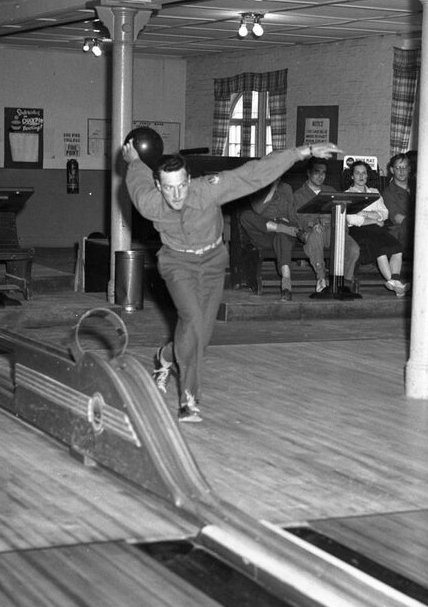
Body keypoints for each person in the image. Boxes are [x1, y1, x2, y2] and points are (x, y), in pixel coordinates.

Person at [124, 131, 342, 421]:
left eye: (181, 187)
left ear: (189, 181)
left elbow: (254, 173)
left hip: (212, 262)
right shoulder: (149, 201)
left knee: (201, 336)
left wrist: (305, 151)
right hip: (177, 263)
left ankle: (165, 357)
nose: (176, 195)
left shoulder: (209, 189)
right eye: (168, 189)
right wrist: (134, 160)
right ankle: (189, 400)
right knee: (192, 320)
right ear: (158, 186)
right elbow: (136, 176)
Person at [291, 158, 361, 296]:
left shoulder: (331, 191)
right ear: (308, 173)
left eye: (324, 172)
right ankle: (321, 278)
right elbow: (299, 218)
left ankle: (345, 284)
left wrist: (335, 224)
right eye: (317, 172)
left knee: (353, 248)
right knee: (316, 234)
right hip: (314, 233)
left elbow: (342, 211)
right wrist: (314, 223)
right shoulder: (298, 195)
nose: (321, 176)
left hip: (333, 231)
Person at [344, 160, 408, 296]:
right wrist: (374, 218)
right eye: (357, 173)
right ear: (352, 176)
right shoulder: (347, 194)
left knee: (397, 248)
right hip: (359, 232)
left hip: (378, 229)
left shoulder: (374, 192)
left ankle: (394, 281)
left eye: (364, 173)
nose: (361, 176)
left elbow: (385, 213)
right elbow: (352, 219)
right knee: (380, 250)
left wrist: (364, 213)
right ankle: (395, 284)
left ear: (367, 175)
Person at [237, 180, 300, 301]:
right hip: (265, 231)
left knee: (283, 235)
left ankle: (286, 285)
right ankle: (280, 228)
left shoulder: (287, 187)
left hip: (286, 231)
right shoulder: (257, 185)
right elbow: (258, 210)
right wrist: (273, 186)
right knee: (246, 216)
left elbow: (293, 218)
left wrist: (290, 224)